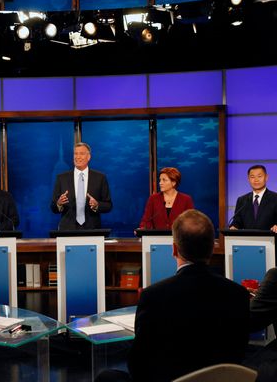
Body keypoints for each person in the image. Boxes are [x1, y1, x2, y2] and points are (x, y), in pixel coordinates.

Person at [128, 209, 250, 382]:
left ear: (174, 249)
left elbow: (137, 365)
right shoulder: (239, 295)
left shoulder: (153, 297)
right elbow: (238, 354)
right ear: (211, 249)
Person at [51, 142, 112, 230]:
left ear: (89, 157)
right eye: (75, 154)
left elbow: (108, 205)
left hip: (92, 230)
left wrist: (97, 205)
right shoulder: (61, 178)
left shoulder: (100, 178)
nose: (78, 157)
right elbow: (53, 207)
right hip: (67, 231)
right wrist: (59, 203)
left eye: (82, 154)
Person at [230, 165, 277, 232]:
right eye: (252, 177)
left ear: (266, 177)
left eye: (259, 176)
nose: (256, 180)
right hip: (248, 241)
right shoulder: (242, 200)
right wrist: (234, 226)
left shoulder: (275, 198)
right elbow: (237, 221)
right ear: (248, 179)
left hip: (271, 240)